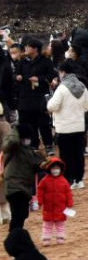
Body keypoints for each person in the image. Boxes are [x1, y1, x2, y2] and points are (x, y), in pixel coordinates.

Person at [47, 60, 88, 189]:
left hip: (64, 127)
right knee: (78, 153)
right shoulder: (82, 86)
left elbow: (52, 106)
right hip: (79, 125)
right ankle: (79, 179)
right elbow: (86, 107)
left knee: (66, 155)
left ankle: (69, 180)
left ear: (63, 72)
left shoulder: (62, 88)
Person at [15, 37, 57, 155]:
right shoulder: (22, 62)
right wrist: (17, 77)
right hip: (26, 96)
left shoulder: (45, 61)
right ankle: (34, 145)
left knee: (43, 122)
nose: (26, 48)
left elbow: (52, 75)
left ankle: (48, 145)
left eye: (28, 46)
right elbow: (15, 74)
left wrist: (39, 78)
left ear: (35, 49)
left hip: (40, 97)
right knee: (30, 123)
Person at [3, 123, 47, 231]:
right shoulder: (14, 148)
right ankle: (14, 236)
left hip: (24, 187)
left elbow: (32, 166)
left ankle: (15, 235)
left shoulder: (28, 150)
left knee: (23, 215)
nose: (28, 140)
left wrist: (41, 165)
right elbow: (12, 142)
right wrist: (15, 130)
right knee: (17, 215)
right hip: (14, 186)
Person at [36, 158, 73, 245]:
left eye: (57, 168)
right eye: (53, 168)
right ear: (49, 169)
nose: (55, 170)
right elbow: (40, 190)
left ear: (61, 169)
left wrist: (70, 202)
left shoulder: (64, 181)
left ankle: (60, 237)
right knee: (47, 225)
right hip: (48, 208)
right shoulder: (44, 180)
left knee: (60, 224)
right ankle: (46, 239)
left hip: (61, 208)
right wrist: (40, 201)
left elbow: (68, 192)